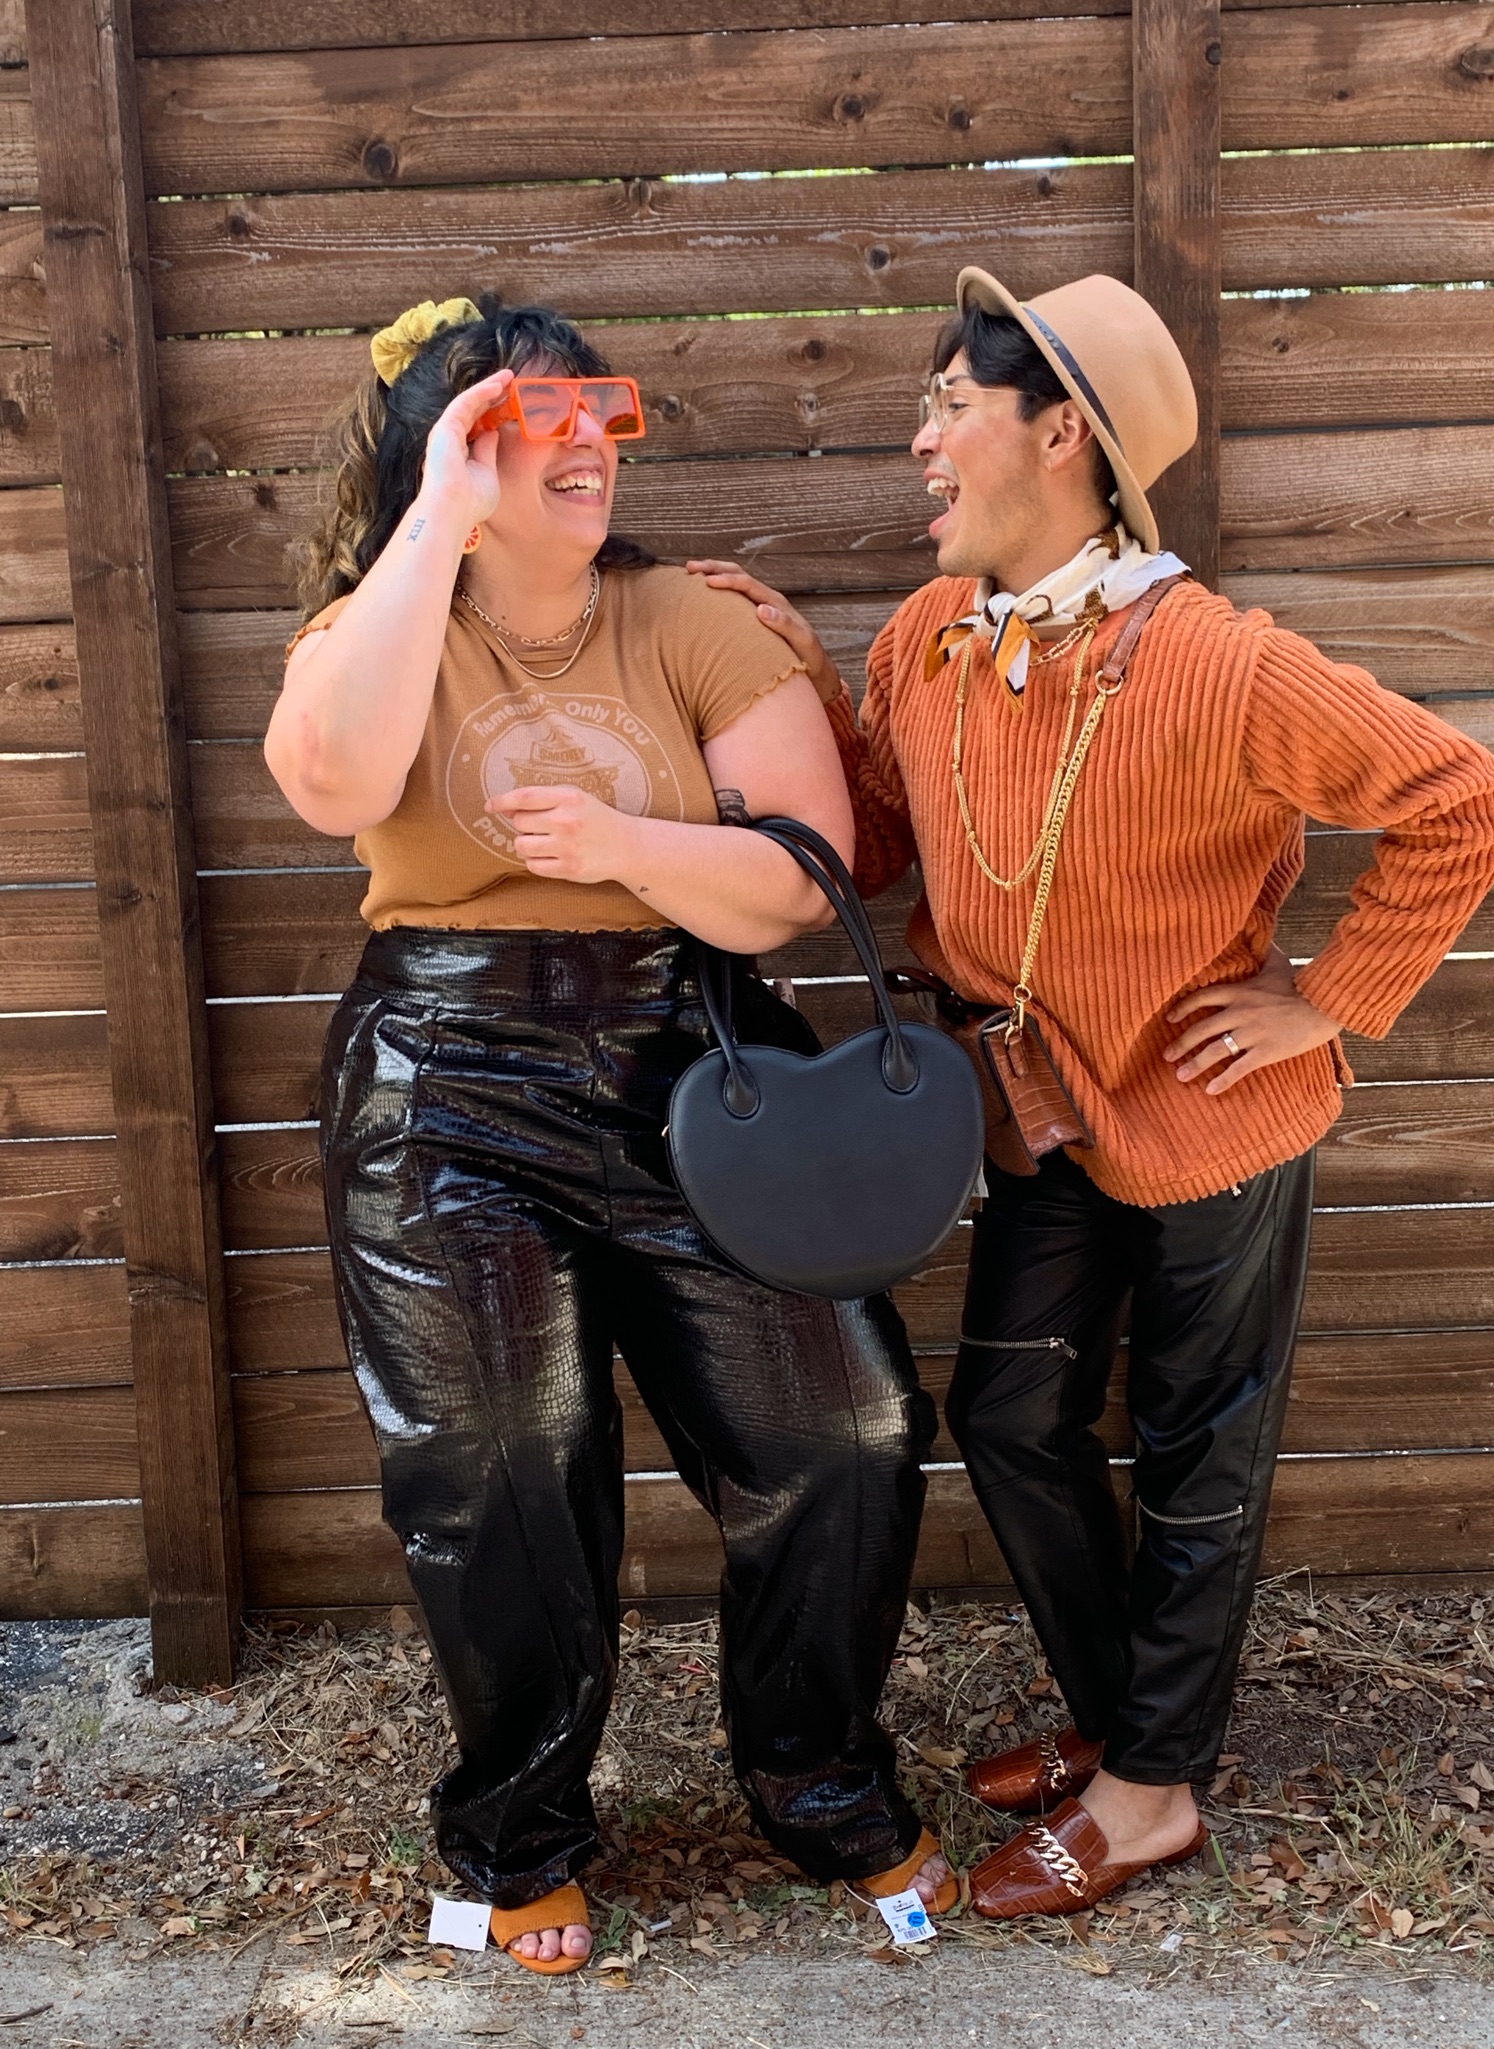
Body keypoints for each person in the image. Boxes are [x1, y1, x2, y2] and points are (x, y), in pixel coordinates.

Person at [690, 269, 1494, 1918]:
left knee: (1203, 1451)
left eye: (950, 404)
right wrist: (802, 676)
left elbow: (1467, 797)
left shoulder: (1219, 661)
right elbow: (887, 844)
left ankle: (1149, 1792)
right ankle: (1129, 1722)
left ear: (1060, 430)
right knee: (1009, 1415)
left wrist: (1327, 1005)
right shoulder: (931, 637)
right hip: (1041, 1107)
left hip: (1217, 1116)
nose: (918, 437)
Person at [264, 295, 957, 1972]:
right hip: (444, 1078)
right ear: (450, 450)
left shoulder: (689, 617)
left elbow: (798, 874)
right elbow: (333, 781)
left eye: (601, 410)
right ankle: (520, 1833)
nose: (585, 440)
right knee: (496, 1460)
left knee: (847, 1424)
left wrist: (627, 844)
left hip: (689, 1049)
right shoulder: (378, 626)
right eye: (530, 416)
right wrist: (428, 522)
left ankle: (814, 1778)